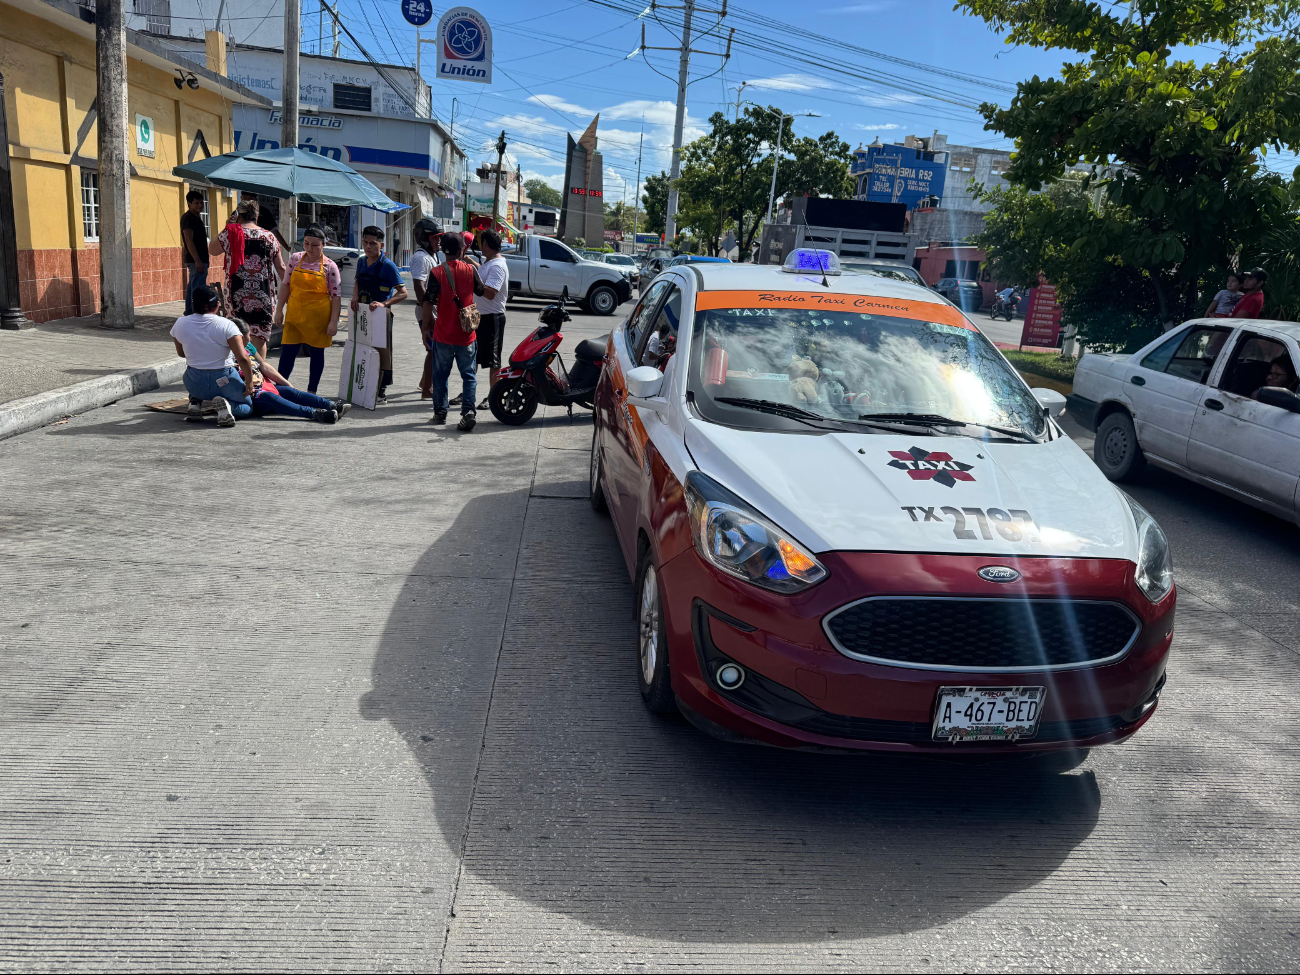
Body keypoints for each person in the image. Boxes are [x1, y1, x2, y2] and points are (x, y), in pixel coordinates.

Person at [422, 231, 485, 430]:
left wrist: (425, 328)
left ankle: (440, 412)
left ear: (442, 250)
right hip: (467, 335)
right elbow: (481, 290)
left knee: (441, 375)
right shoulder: (469, 270)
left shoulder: (436, 272)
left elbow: (428, 301)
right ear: (460, 250)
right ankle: (468, 412)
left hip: (443, 335)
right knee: (469, 375)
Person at [169, 285, 255, 428]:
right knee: (247, 407)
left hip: (195, 382)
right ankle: (227, 406)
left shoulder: (180, 323)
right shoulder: (227, 325)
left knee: (194, 368)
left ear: (193, 304)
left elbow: (181, 353)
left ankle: (195, 405)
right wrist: (249, 383)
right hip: (224, 380)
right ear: (217, 304)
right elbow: (243, 358)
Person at [211, 198, 287, 358]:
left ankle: (242, 375)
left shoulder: (231, 233)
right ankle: (258, 377)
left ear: (238, 215)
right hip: (263, 296)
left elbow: (212, 250)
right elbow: (281, 267)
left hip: (236, 296)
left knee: (236, 340)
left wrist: (228, 226)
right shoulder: (269, 237)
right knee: (259, 342)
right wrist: (290, 293)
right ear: (257, 217)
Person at [233, 323, 348, 423]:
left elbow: (264, 366)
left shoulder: (247, 346)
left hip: (264, 386)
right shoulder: (226, 354)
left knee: (290, 391)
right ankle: (315, 414)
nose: (251, 338)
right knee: (270, 397)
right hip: (251, 395)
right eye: (249, 334)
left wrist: (288, 384)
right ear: (241, 337)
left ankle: (331, 405)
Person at [274, 224, 342, 393]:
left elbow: (336, 296)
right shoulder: (295, 259)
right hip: (294, 316)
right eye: (306, 243)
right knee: (287, 353)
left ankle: (312, 391)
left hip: (318, 319)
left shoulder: (330, 266)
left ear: (323, 245)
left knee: (316, 355)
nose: (310, 248)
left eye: (315, 245)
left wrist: (333, 321)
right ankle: (280, 390)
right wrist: (278, 310)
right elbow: (286, 285)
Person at [351, 225, 408, 404]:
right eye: (365, 242)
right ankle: (363, 387)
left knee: (382, 352)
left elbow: (403, 293)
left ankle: (381, 390)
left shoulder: (388, 266)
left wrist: (383, 304)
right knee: (362, 349)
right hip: (362, 314)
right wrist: (354, 298)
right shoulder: (361, 261)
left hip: (381, 315)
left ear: (381, 245)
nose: (369, 247)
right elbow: (357, 281)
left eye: (373, 243)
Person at [474, 229, 510, 409]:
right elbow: (481, 273)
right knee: (473, 357)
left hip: (492, 318)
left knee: (493, 361)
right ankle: (469, 391)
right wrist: (471, 266)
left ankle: (493, 396)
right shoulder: (488, 262)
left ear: (486, 244)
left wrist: (471, 280)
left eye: (481, 243)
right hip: (479, 317)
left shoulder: (497, 266)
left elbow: (490, 293)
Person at [409, 218, 444, 400]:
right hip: (426, 308)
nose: (438, 241)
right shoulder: (421, 258)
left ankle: (424, 382)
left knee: (434, 348)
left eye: (439, 237)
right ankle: (427, 390)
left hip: (432, 307)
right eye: (434, 237)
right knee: (433, 350)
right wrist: (428, 314)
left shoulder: (433, 255)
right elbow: (418, 287)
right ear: (423, 238)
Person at [180, 190, 209, 316]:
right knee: (198, 289)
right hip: (196, 260)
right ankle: (196, 314)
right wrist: (197, 260)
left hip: (201, 259)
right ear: (189, 204)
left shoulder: (197, 218)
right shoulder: (188, 218)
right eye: (196, 203)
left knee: (193, 288)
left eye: (201, 203)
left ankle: (190, 313)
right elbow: (188, 240)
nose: (200, 205)